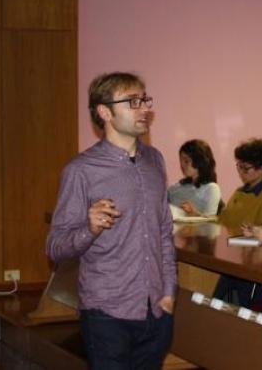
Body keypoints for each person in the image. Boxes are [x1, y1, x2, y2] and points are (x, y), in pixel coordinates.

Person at [47, 72, 175, 369]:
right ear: (104, 112)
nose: (144, 108)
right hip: (107, 312)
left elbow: (164, 233)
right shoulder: (81, 170)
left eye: (144, 99)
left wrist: (168, 292)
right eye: (133, 102)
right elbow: (55, 247)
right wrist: (88, 229)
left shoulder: (154, 160)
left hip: (155, 310)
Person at [217, 138, 262, 228]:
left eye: (246, 168)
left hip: (242, 241)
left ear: (261, 169)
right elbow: (223, 220)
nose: (241, 172)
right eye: (239, 166)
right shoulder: (239, 192)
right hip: (229, 240)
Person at [167, 139, 221, 217]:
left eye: (186, 161)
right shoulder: (174, 188)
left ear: (199, 162)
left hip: (196, 228)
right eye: (181, 161)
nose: (182, 165)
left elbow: (210, 222)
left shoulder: (211, 188)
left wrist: (194, 213)